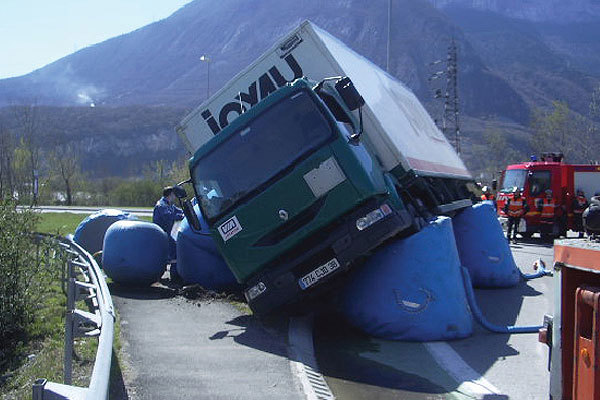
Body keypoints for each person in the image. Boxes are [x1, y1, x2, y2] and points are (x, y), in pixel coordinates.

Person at [153, 186, 185, 282]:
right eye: (174, 195)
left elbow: (178, 211)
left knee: (172, 253)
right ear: (170, 195)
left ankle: (171, 275)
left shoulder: (169, 205)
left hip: (168, 233)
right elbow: (170, 217)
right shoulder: (161, 205)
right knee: (171, 254)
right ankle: (173, 276)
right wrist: (182, 216)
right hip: (162, 235)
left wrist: (185, 212)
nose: (175, 197)